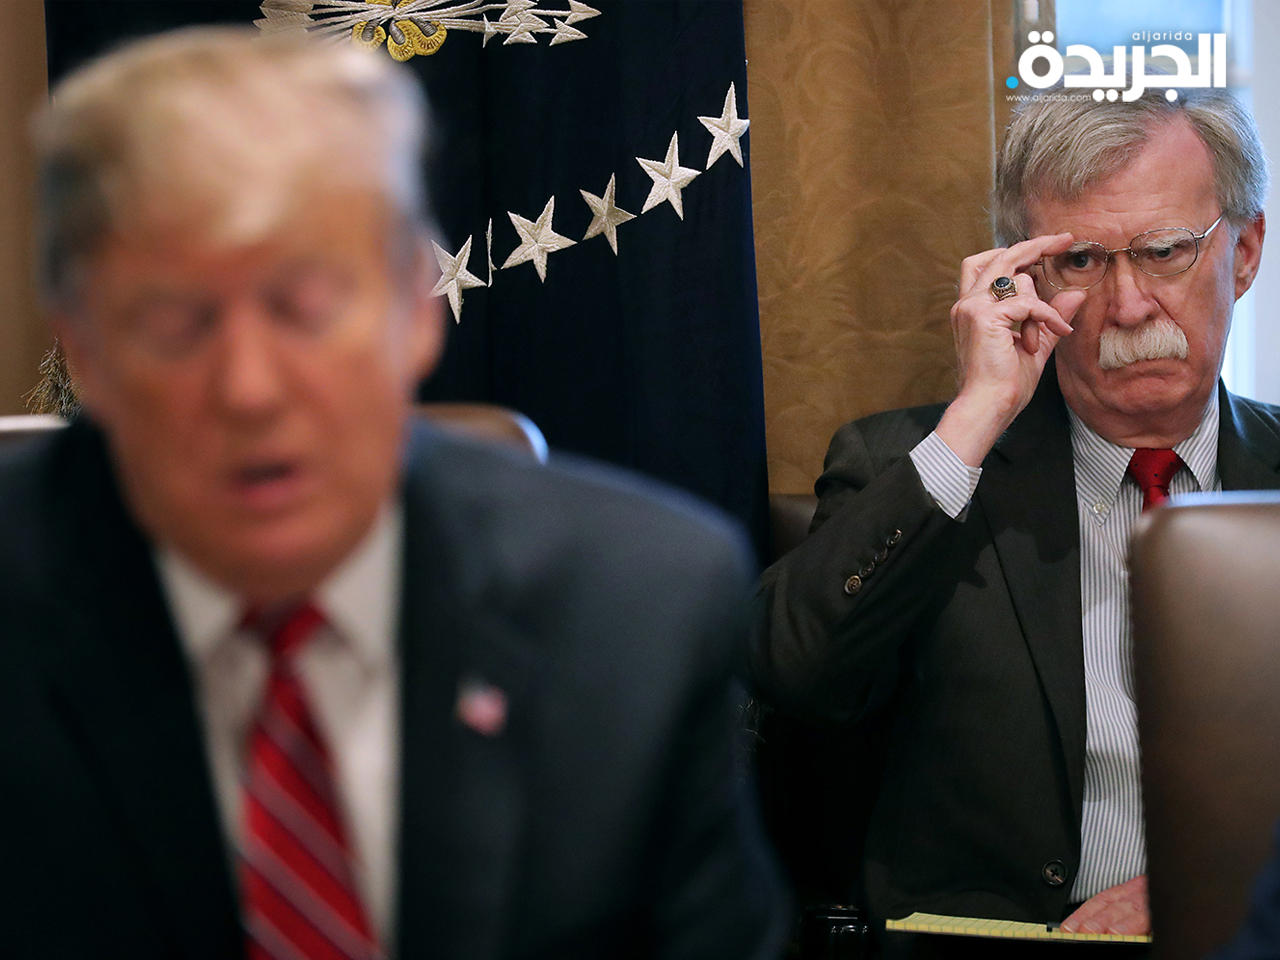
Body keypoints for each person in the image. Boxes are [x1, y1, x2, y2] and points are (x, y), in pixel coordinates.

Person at [0, 27, 784, 960]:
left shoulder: (634, 613)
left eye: (306, 306)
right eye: (176, 321)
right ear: (84, 348)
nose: (249, 388)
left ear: (417, 306)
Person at [752, 83, 1280, 947]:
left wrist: (1216, 880)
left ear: (1246, 252)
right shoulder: (912, 466)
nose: (1129, 306)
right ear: (1022, 279)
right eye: (1081, 263)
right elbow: (793, 679)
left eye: (1164, 252)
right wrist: (976, 418)